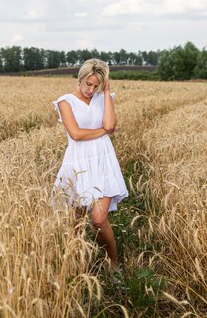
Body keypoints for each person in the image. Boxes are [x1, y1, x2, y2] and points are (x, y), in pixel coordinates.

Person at [52, 58, 129, 271]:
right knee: (76, 223)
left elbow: (111, 124)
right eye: (88, 84)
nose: (90, 89)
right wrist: (103, 132)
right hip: (78, 163)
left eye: (96, 85)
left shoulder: (104, 98)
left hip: (103, 161)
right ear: (80, 78)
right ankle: (77, 267)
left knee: (98, 218)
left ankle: (113, 265)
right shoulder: (65, 102)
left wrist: (106, 92)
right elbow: (75, 134)